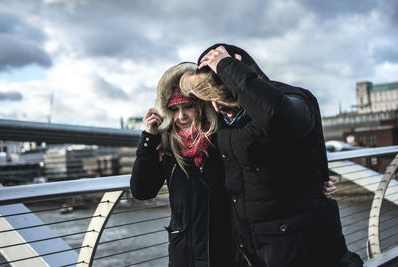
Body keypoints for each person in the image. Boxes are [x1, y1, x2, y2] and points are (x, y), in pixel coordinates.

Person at [180, 44, 363, 267]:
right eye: (211, 101)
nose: (217, 108)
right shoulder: (224, 120)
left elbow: (279, 117)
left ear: (240, 71)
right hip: (255, 249)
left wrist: (227, 65)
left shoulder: (295, 98)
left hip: (303, 245)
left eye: (223, 97)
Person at [130, 62, 234, 267]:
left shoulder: (223, 140)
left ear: (202, 106)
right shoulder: (168, 148)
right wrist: (148, 139)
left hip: (225, 251)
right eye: (174, 109)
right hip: (185, 255)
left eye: (188, 106)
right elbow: (142, 191)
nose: (181, 116)